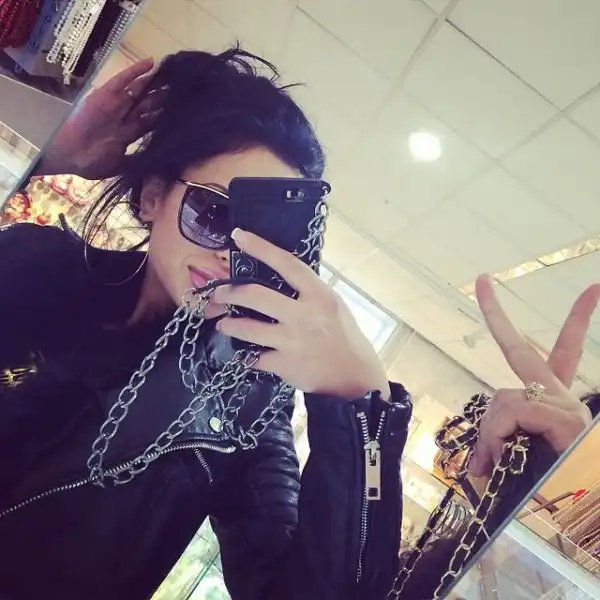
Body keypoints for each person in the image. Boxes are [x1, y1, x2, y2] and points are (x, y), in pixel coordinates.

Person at [0, 48, 595, 600]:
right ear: (153, 195)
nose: (229, 255)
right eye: (213, 212)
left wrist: (362, 407)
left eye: (263, 242)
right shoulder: (32, 262)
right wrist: (48, 157)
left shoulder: (244, 398)